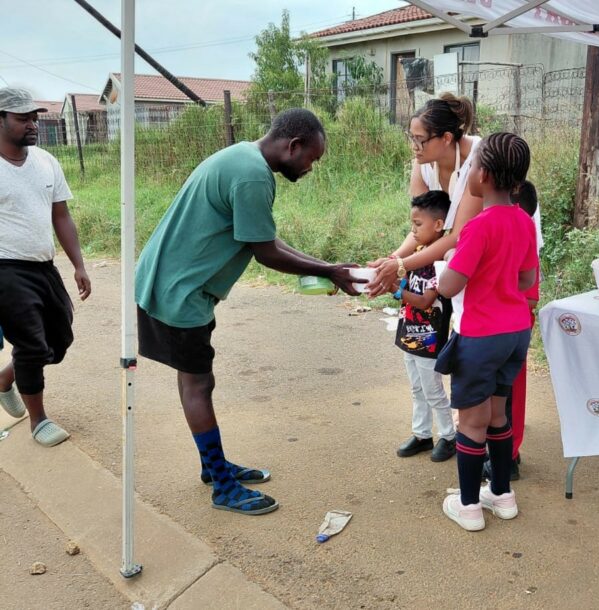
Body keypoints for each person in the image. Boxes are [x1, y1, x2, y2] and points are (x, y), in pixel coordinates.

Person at [135, 108, 362, 516]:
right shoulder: (253, 175)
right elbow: (266, 253)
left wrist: (327, 269)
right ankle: (222, 485)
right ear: (293, 146)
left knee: (198, 382)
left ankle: (213, 465)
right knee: (197, 386)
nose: (311, 168)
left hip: (179, 282)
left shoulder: (244, 157)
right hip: (179, 291)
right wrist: (328, 270)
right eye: (311, 158)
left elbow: (266, 237)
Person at [435, 132, 539, 532]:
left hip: (480, 337)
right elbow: (527, 276)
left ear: (483, 176)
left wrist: (449, 263)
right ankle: (501, 494)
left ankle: (468, 506)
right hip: (515, 334)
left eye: (474, 165)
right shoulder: (524, 223)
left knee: (471, 422)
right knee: (498, 413)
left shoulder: (478, 227)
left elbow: (449, 287)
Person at [0, 87, 91, 447]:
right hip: (4, 268)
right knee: (32, 344)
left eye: (35, 117)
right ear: (1, 120)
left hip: (43, 265)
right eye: (23, 118)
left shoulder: (46, 161)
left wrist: (78, 265)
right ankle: (39, 420)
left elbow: (61, 215)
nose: (33, 124)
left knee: (59, 337)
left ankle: (7, 378)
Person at [366, 93, 483, 295]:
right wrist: (392, 261)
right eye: (412, 138)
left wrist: (402, 266)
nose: (414, 147)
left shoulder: (478, 161)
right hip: (461, 254)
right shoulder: (422, 163)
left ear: (446, 138)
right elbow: (422, 224)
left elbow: (457, 236)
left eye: (420, 140)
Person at [483, 180, 540, 482]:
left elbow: (530, 295)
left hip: (511, 329)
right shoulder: (494, 234)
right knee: (490, 394)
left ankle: (510, 456)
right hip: (491, 329)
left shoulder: (524, 240)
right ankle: (492, 452)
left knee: (509, 393)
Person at [393, 190, 456, 462]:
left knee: (433, 390)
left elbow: (425, 301)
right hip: (410, 332)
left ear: (439, 225)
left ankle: (449, 436)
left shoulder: (442, 262)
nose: (413, 230)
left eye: (418, 225)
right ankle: (421, 434)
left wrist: (395, 291)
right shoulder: (416, 253)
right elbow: (407, 284)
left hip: (430, 337)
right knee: (417, 388)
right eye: (412, 224)